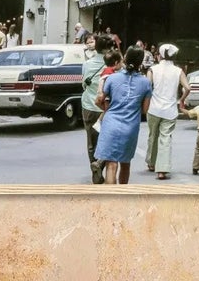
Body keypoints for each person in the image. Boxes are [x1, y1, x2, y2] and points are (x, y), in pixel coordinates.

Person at [94, 47, 153, 185]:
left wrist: (107, 110)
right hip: (130, 126)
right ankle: (123, 198)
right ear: (140, 63)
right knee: (125, 164)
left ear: (125, 59)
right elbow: (145, 109)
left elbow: (98, 100)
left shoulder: (112, 78)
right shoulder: (146, 83)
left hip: (110, 124)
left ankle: (111, 201)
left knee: (111, 165)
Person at [145, 44, 188, 180]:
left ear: (160, 55)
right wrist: (181, 100)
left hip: (153, 108)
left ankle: (151, 163)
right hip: (170, 109)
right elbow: (188, 87)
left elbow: (146, 88)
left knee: (153, 135)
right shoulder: (178, 71)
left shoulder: (152, 69)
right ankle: (162, 170)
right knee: (165, 138)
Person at [80, 38, 114, 184]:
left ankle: (95, 169)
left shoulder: (87, 64)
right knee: (110, 140)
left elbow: (83, 84)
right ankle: (100, 164)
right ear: (108, 49)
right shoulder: (113, 66)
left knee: (91, 141)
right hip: (107, 108)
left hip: (88, 105)